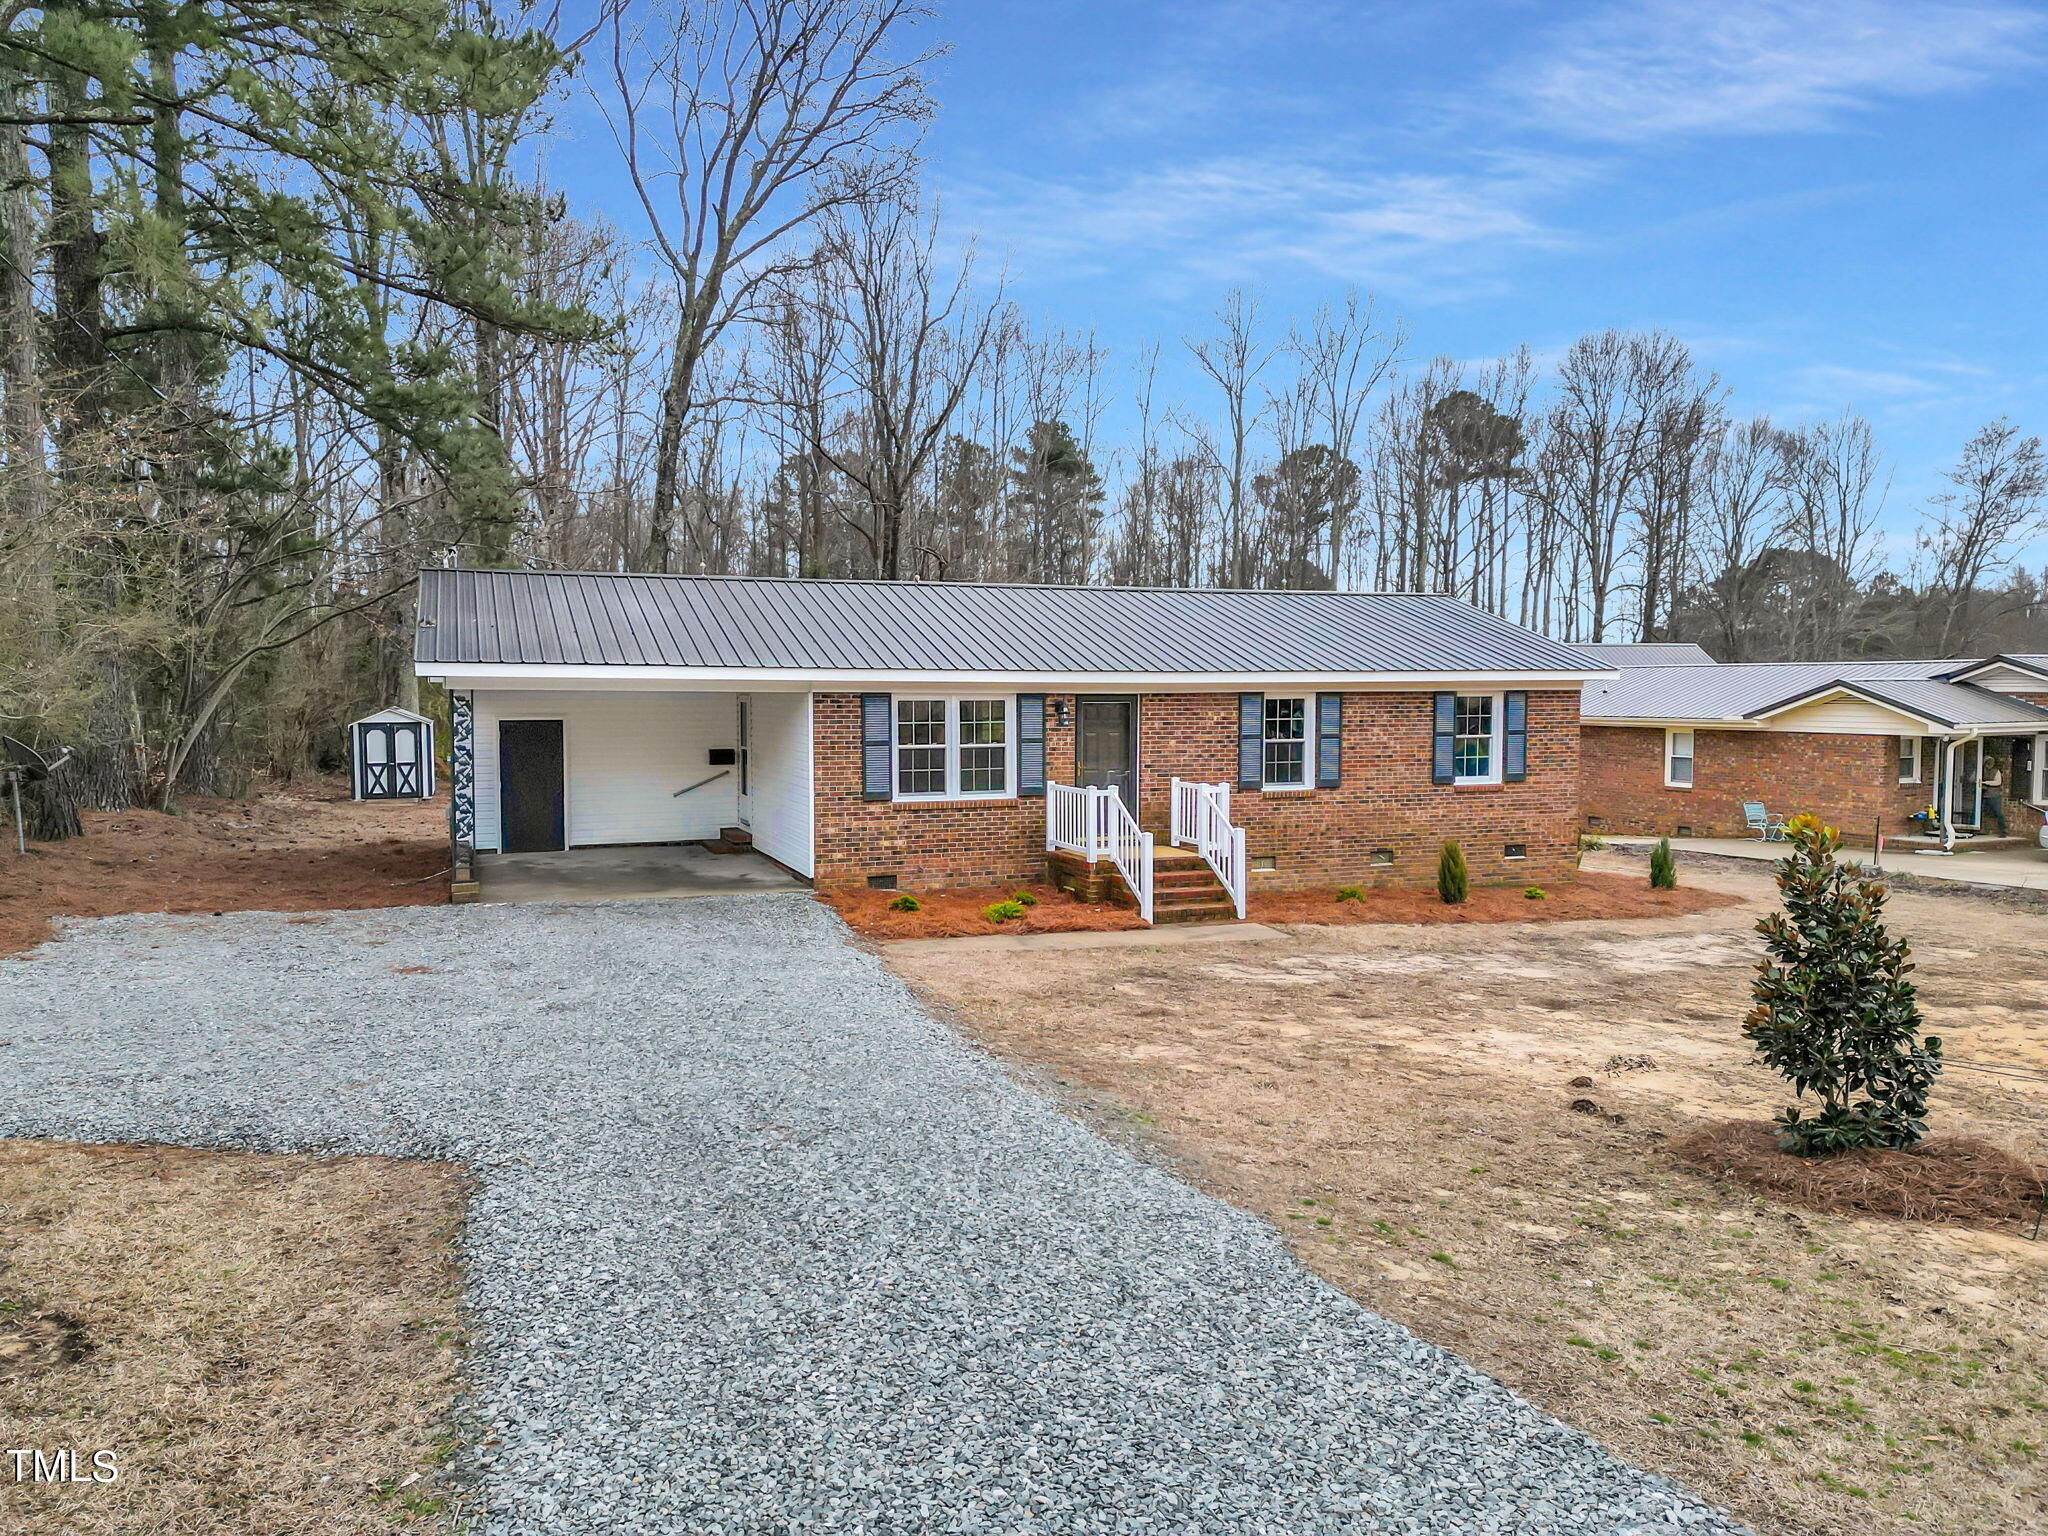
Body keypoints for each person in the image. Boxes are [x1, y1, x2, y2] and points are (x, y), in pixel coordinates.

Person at [1982, 755, 2008, 836]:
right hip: (1984, 795)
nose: (1989, 765)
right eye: (1987, 763)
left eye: (1990, 763)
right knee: (1982, 812)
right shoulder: (1981, 770)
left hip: (1994, 795)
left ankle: (2003, 831)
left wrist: (1986, 782)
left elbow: (1998, 782)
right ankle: (1981, 829)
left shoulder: (1996, 771)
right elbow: (1972, 778)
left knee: (1998, 813)